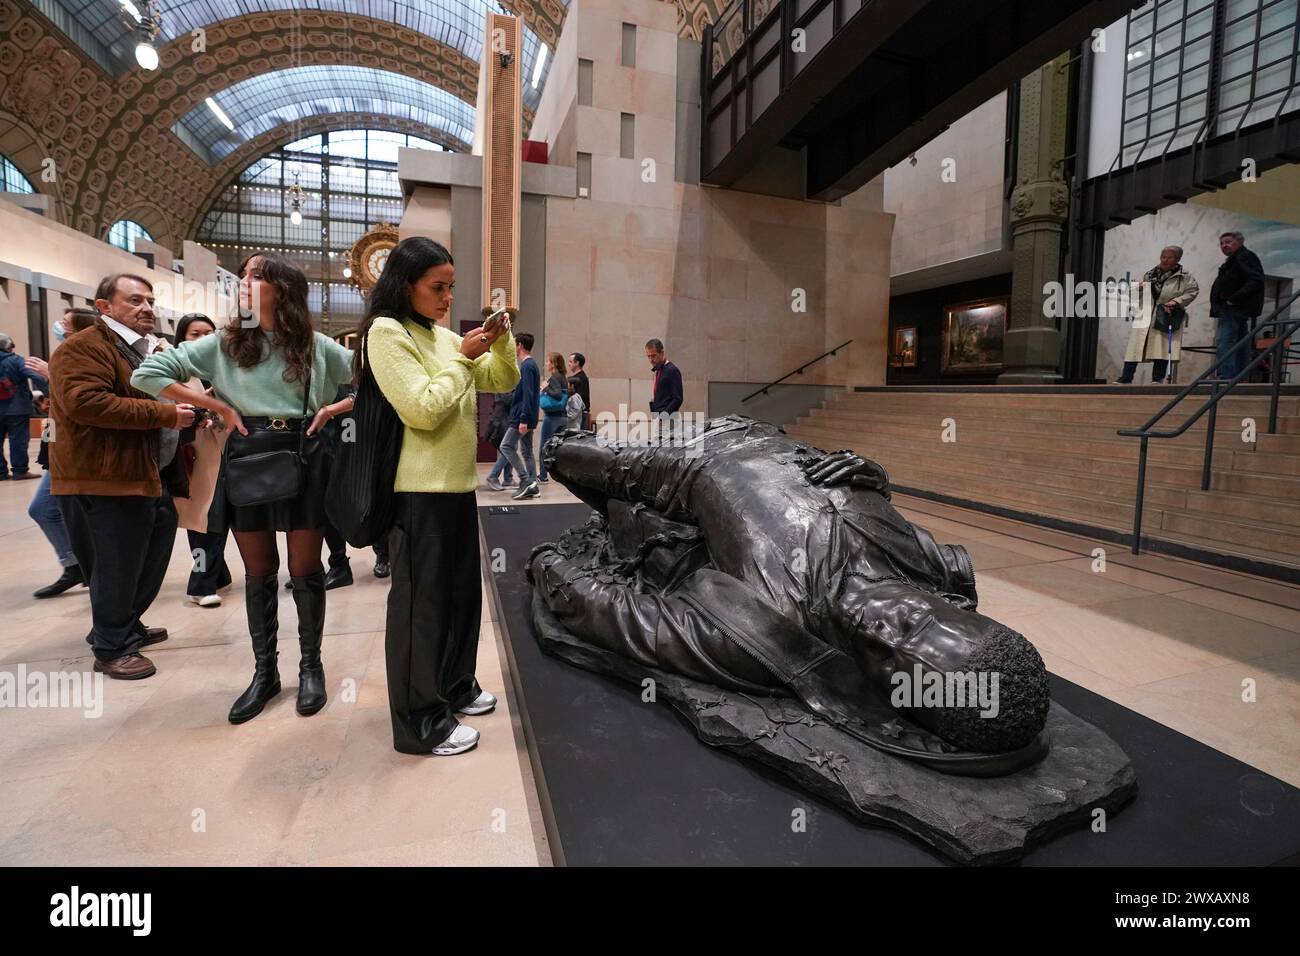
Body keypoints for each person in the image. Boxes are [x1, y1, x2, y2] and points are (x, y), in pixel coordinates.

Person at [132, 253, 357, 723]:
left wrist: (335, 410)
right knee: (260, 572)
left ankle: (311, 667)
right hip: (249, 457)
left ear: (284, 289)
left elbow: (373, 384)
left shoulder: (316, 346)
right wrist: (218, 406)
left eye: (257, 277)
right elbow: (146, 375)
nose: (245, 283)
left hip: (305, 458)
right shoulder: (225, 343)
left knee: (304, 569)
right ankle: (264, 673)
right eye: (245, 276)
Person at [361, 236, 520, 756]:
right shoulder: (386, 333)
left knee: (459, 599)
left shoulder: (445, 337)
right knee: (420, 610)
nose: (447, 297)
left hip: (455, 488)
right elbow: (422, 410)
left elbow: (502, 377)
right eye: (437, 287)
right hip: (418, 491)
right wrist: (462, 360)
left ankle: (454, 686)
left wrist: (497, 338)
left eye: (451, 288)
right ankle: (419, 723)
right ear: (405, 285)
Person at [50, 274, 196, 680]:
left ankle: (124, 624)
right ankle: (112, 646)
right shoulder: (84, 348)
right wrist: (165, 413)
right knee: (115, 564)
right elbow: (87, 403)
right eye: (134, 301)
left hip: (149, 473)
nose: (146, 308)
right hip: (105, 477)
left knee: (148, 556)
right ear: (104, 307)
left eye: (149, 301)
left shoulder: (142, 349)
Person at [27, 307, 100, 598]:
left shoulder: (84, 357)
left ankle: (82, 567)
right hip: (58, 446)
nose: (59, 326)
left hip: (78, 451)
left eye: (66, 323)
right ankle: (75, 565)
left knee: (47, 509)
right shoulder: (64, 354)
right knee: (45, 509)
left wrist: (51, 375)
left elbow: (85, 402)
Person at [169, 313, 232, 608]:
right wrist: (199, 409)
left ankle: (218, 575)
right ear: (182, 338)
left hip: (228, 452)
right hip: (196, 457)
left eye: (209, 333)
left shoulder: (223, 369)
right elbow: (166, 410)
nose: (204, 339)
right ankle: (200, 584)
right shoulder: (174, 372)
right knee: (203, 520)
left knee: (218, 518)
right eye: (195, 334)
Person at [1114, 246, 1199, 384]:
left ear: (1177, 259)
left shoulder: (1184, 276)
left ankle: (1157, 379)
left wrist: (1176, 301)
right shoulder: (1148, 274)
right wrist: (1138, 288)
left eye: (1169, 257)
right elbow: (1131, 295)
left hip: (1166, 315)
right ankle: (1126, 377)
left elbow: (1192, 291)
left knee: (1162, 347)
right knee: (1135, 348)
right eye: (1163, 257)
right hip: (1145, 315)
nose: (1165, 260)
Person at [1210, 231, 1265, 381]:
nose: (1224, 245)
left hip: (1234, 308)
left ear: (1240, 242)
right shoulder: (1235, 259)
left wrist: (1233, 299)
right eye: (1221, 243)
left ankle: (1226, 375)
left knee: (1226, 341)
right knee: (1240, 342)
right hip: (1235, 307)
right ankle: (1239, 375)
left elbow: (1255, 280)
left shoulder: (1243, 256)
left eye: (1228, 241)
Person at [0, 331, 48, 481]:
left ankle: (0, 472)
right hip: (17, 408)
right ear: (9, 346)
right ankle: (20, 471)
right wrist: (48, 393)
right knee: (18, 440)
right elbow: (36, 377)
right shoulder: (16, 361)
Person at [499, 331, 540, 500]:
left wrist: (523, 419)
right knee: (527, 451)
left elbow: (528, 394)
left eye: (514, 344)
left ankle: (525, 481)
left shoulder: (527, 366)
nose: (513, 347)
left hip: (522, 417)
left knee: (506, 446)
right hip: (527, 416)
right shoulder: (531, 365)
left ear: (520, 345)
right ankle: (533, 485)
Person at [537, 351, 568, 482]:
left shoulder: (555, 377)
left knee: (544, 446)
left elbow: (557, 395)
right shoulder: (563, 377)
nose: (546, 363)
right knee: (558, 448)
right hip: (562, 417)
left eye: (548, 361)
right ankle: (560, 474)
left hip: (552, 417)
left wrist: (545, 388)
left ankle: (543, 475)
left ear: (554, 364)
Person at [645, 338, 682, 437]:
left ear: (661, 353)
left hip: (668, 419)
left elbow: (678, 399)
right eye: (648, 356)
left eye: (653, 356)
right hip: (659, 419)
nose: (651, 360)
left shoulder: (672, 370)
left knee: (666, 450)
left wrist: (662, 417)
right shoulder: (658, 370)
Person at [483, 392, 515, 490]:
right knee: (508, 448)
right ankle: (493, 476)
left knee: (508, 448)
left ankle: (508, 479)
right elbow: (507, 399)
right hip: (502, 419)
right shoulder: (506, 383)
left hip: (505, 418)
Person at [567, 352, 590, 429]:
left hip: (580, 415)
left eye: (570, 362)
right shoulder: (579, 377)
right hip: (579, 414)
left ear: (577, 363)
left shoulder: (580, 378)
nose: (568, 364)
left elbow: (580, 400)